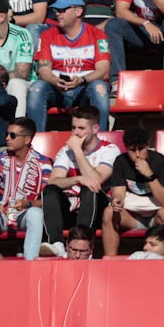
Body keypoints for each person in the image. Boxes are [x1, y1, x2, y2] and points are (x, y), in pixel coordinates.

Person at [28, 0, 111, 132]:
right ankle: (34, 143)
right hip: (57, 88)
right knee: (37, 88)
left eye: (62, 10)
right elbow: (43, 70)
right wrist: (55, 80)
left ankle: (101, 140)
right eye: (56, 10)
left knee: (99, 87)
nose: (58, 14)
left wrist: (82, 80)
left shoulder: (97, 35)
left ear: (78, 11)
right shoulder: (47, 36)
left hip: (85, 87)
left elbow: (103, 69)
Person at [42, 106, 119, 250]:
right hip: (72, 208)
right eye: (73, 128)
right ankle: (56, 244)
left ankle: (81, 243)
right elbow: (53, 181)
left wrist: (77, 151)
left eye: (81, 128)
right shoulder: (66, 151)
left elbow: (97, 180)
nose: (76, 133)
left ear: (95, 129)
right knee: (50, 190)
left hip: (97, 209)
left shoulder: (109, 150)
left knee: (90, 187)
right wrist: (77, 179)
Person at [0, 118, 50, 258]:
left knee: (36, 213)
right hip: (3, 213)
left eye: (13, 135)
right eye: (7, 134)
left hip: (25, 214)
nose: (7, 138)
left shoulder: (43, 163)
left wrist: (27, 203)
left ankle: (31, 262)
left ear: (27, 139)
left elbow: (47, 200)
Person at [103, 128, 164, 258]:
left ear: (148, 145)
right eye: (132, 150)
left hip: (158, 214)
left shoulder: (160, 162)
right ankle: (110, 262)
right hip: (134, 216)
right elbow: (119, 194)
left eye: (141, 149)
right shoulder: (121, 162)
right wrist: (116, 201)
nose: (138, 154)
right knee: (109, 212)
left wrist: (149, 175)